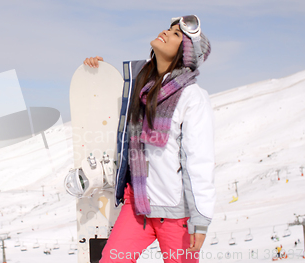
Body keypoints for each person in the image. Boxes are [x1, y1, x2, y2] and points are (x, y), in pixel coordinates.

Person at [84, 15, 214, 263]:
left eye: (176, 34)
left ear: (186, 53)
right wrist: (97, 73)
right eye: (168, 28)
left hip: (176, 214)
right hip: (138, 207)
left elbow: (199, 160)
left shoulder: (192, 97)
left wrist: (201, 217)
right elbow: (111, 97)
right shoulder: (141, 84)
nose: (165, 32)